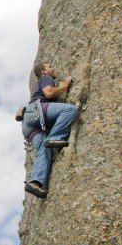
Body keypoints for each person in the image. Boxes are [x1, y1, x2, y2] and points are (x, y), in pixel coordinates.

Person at [21, 62, 78, 198]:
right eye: (50, 66)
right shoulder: (46, 78)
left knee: (44, 149)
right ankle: (56, 137)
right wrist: (65, 84)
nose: (53, 68)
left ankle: (35, 182)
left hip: (28, 124)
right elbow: (49, 93)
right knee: (70, 109)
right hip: (37, 112)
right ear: (44, 72)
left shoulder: (39, 84)